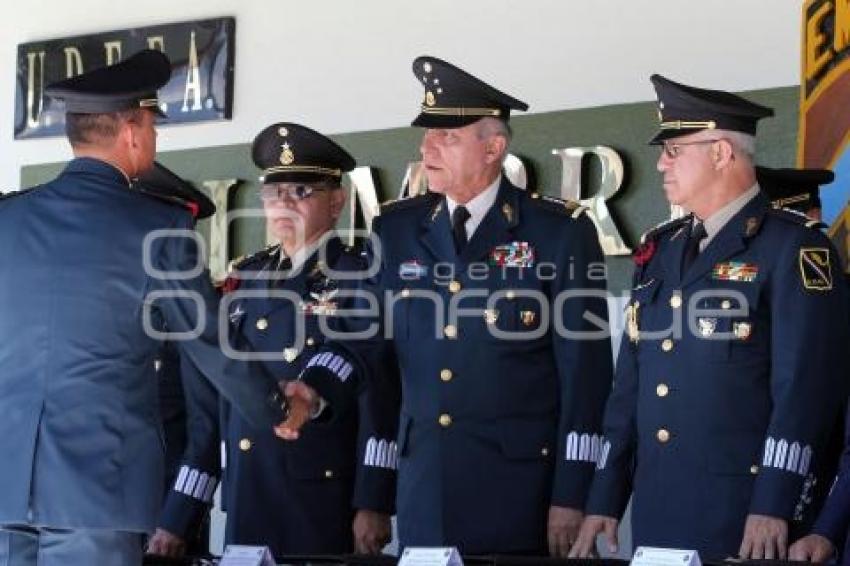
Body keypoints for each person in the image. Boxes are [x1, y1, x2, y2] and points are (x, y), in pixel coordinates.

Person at [0, 51, 321, 566]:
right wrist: (280, 409)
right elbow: (212, 345)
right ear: (131, 130)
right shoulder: (160, 230)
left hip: (7, 489)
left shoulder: (9, 219)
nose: (153, 138)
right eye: (152, 126)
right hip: (96, 492)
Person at [298, 55, 613, 556]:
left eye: (447, 137)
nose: (427, 148)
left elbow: (585, 377)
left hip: (520, 489)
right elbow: (363, 340)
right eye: (426, 136)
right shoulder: (397, 229)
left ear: (494, 148)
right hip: (427, 485)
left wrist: (572, 493)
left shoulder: (558, 232)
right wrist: (312, 387)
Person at [571, 75, 850, 561]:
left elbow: (804, 391)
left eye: (675, 150)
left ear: (721, 153)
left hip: (745, 515)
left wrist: (774, 502)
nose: (661, 163)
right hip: (659, 511)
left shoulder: (794, 247)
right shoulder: (662, 249)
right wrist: (605, 496)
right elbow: (630, 386)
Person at [188, 122, 397, 561]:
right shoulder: (245, 278)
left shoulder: (359, 275)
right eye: (273, 192)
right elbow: (216, 399)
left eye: (301, 191)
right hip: (249, 487)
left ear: (336, 202)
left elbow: (377, 391)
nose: (283, 202)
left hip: (321, 490)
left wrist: (373, 498)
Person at [138, 163, 221, 559]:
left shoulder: (190, 314)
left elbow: (206, 430)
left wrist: (177, 517)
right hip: (90, 512)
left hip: (159, 522)